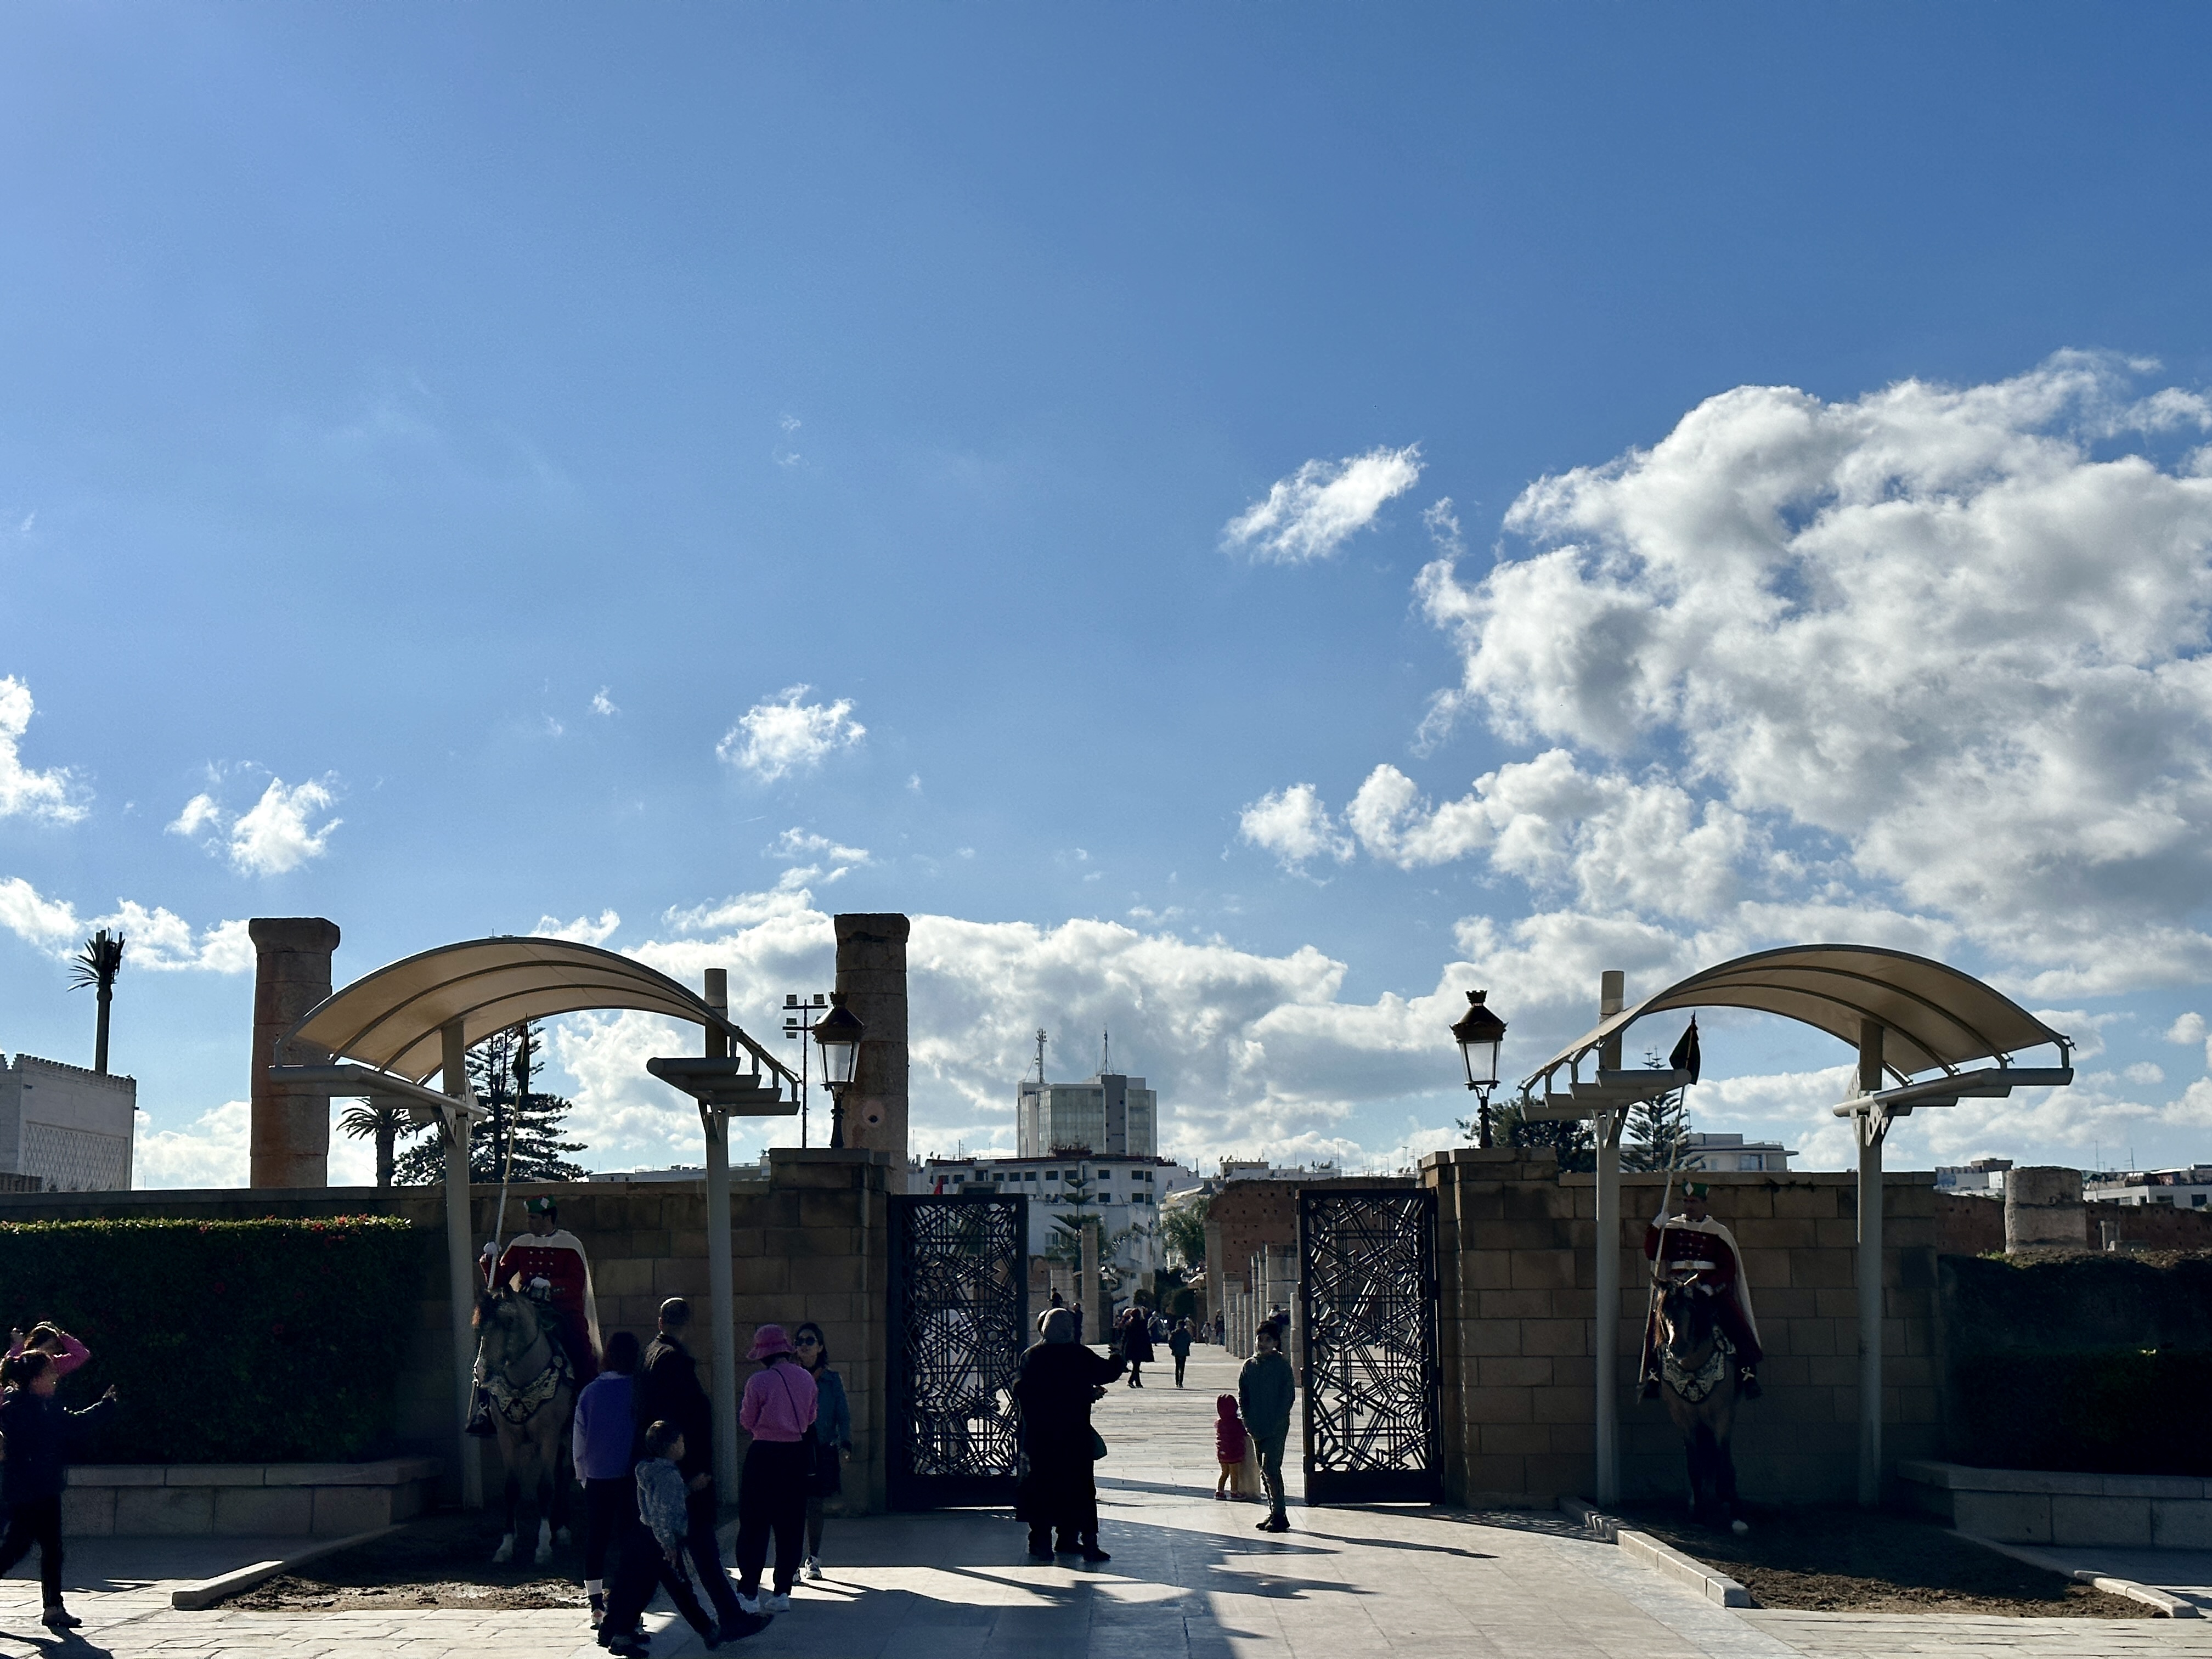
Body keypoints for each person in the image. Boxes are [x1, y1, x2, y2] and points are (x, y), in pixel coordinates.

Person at [599, 1419, 770, 1656]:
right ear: (671, 1447)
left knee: (649, 1587)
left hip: (647, 1536)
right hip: (662, 1543)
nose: (684, 1446)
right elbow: (664, 1513)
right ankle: (703, 1631)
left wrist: (688, 1488)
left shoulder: (649, 1470)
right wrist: (668, 1544)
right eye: (680, 1442)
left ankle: (624, 1631)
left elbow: (658, 1504)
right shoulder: (668, 1476)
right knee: (675, 1588)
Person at [634, 1297, 749, 1634]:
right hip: (681, 1468)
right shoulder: (674, 1362)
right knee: (696, 1549)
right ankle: (729, 1617)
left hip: (661, 1462)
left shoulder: (650, 1356)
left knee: (669, 1558)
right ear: (688, 1325)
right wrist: (693, 1471)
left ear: (660, 1322)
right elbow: (688, 1419)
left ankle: (725, 1618)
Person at [0, 1351, 117, 1631]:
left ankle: (54, 1608)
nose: (55, 1377)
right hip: (25, 1491)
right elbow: (56, 1430)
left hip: (47, 1488)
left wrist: (104, 1407)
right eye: (50, 1372)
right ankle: (53, 1607)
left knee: (51, 1548)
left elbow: (73, 1424)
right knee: (17, 1548)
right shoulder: (16, 1409)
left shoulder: (45, 1406)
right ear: (35, 1379)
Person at [1013, 1307, 1124, 1562]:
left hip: (1041, 1437)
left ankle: (1041, 1542)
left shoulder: (1032, 1356)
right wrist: (1118, 1356)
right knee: (1080, 1488)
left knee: (1042, 1486)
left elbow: (1023, 1391)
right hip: (1074, 1436)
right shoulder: (1079, 1355)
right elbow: (1108, 1372)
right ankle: (1081, 1541)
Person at [1639, 1181, 1764, 1400]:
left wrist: (1709, 1287)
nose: (1689, 1206)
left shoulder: (1718, 1232)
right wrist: (1656, 1228)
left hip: (1706, 1287)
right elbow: (1653, 1253)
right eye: (1686, 1201)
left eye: (1694, 1201)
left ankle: (1747, 1372)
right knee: (1657, 1323)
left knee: (1734, 1320)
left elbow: (1728, 1268)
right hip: (1677, 1287)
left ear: (1704, 1203)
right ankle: (1653, 1374)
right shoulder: (1672, 1228)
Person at [732, 1325, 816, 1615]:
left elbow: (747, 1420)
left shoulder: (758, 1382)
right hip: (796, 1454)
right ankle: (782, 1591)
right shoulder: (806, 1378)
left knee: (754, 1524)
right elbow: (811, 1417)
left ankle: (749, 1592)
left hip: (764, 1454)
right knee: (791, 1524)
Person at [484, 1195, 602, 1384]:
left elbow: (575, 1284)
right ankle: (489, 1385)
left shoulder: (570, 1245)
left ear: (547, 1218)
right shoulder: (521, 1244)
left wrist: (550, 1285)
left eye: (533, 1218)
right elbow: (498, 1282)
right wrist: (491, 1260)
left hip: (561, 1310)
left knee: (580, 1346)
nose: (528, 1222)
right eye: (528, 1217)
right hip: (528, 1306)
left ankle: (586, 1389)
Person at [572, 1330, 641, 1627]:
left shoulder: (590, 1393)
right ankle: (630, 1603)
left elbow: (579, 1439)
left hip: (597, 1476)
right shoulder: (639, 1389)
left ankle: (596, 1605)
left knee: (596, 1539)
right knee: (630, 1540)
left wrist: (583, 1476)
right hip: (630, 1478)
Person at [792, 1322, 849, 1582]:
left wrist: (845, 1443)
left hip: (821, 1447)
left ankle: (813, 1559)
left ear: (820, 1347)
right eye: (800, 1341)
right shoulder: (789, 1377)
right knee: (793, 1506)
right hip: (793, 1446)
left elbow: (842, 1414)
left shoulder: (831, 1379)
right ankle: (791, 1562)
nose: (804, 1345)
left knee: (815, 1504)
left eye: (810, 1340)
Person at [1238, 1324, 1295, 1533]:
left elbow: (1287, 1397)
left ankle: (1280, 1514)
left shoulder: (1282, 1366)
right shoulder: (1249, 1366)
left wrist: (1277, 1421)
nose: (1262, 1344)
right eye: (1260, 1339)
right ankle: (1274, 1512)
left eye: (1267, 1340)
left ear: (1276, 1343)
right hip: (1256, 1425)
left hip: (1276, 1427)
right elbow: (1243, 1395)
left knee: (1271, 1468)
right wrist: (1247, 1419)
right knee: (1263, 1469)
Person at [5, 1324, 89, 1377]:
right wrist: (19, 1345)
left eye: (55, 1347)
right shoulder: (22, 1360)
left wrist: (62, 1335)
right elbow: (6, 1368)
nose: (53, 1351)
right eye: (50, 1347)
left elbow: (83, 1355)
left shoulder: (56, 1364)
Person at [1213, 1395, 1248, 1500]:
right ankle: (1234, 1492)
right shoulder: (1236, 1423)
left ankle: (1220, 1491)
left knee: (1224, 1473)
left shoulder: (1219, 1423)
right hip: (1234, 1452)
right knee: (1234, 1474)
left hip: (1222, 1452)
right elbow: (1244, 1433)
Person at [1119, 1306, 1154, 1388]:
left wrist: (1123, 1347)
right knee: (1137, 1365)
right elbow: (1146, 1336)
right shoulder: (1142, 1324)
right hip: (1140, 1347)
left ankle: (1138, 1382)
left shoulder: (1129, 1324)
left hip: (1131, 1347)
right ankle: (1131, 1381)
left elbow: (1125, 1337)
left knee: (1136, 1365)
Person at [1169, 1319, 1193, 1388]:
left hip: (1177, 1352)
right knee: (1182, 1368)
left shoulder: (1175, 1333)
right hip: (1184, 1352)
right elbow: (1189, 1341)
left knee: (1177, 1367)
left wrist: (1173, 1349)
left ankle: (1177, 1382)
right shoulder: (1186, 1333)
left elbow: (1171, 1342)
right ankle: (1180, 1382)